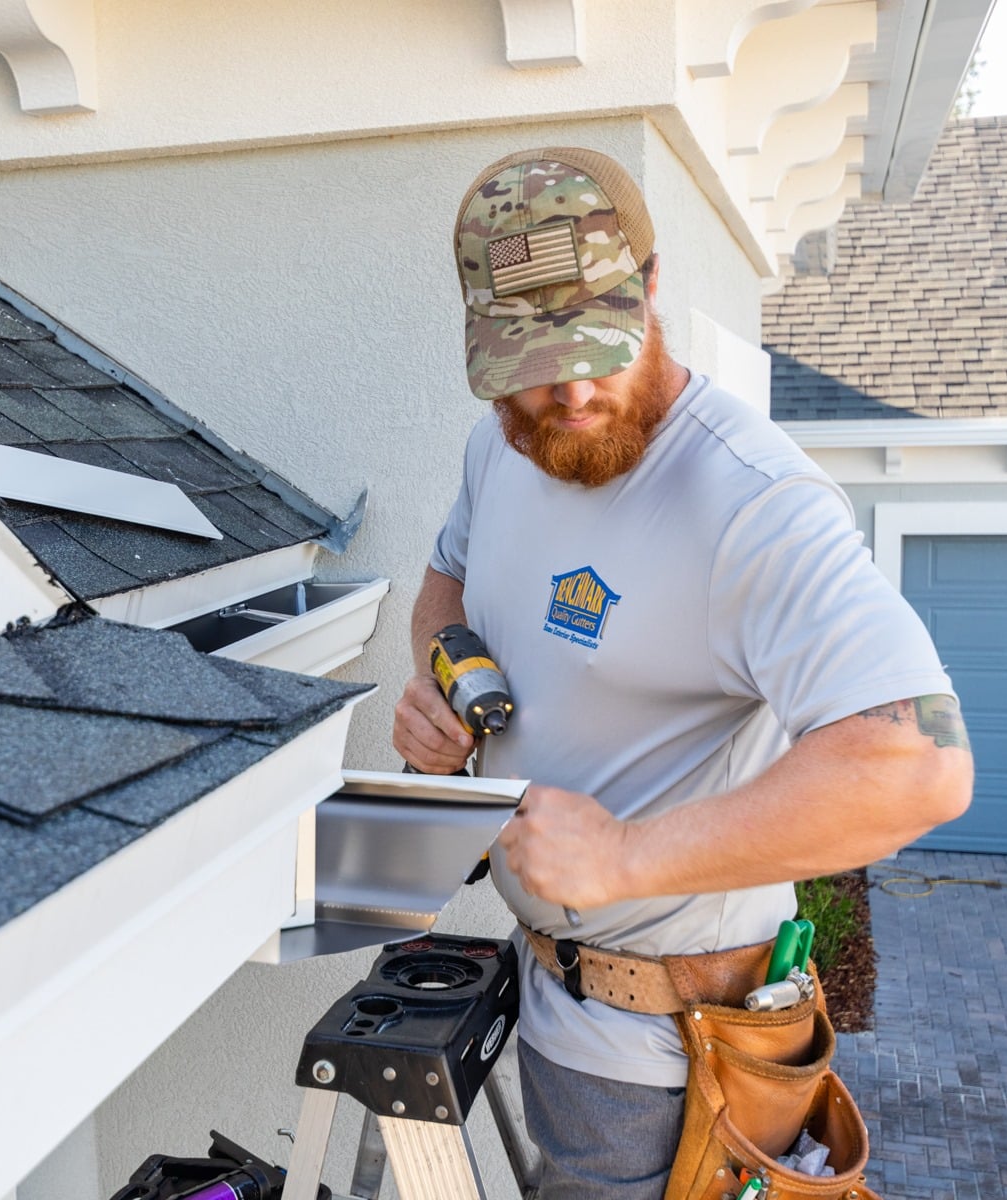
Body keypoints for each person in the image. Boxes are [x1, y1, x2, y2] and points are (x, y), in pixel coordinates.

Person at [393, 146, 973, 1200]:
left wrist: (624, 855)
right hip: (542, 988)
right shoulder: (499, 447)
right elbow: (445, 582)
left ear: (654, 287)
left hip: (664, 1054)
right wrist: (444, 678)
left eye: (594, 343)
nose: (567, 389)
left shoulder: (751, 502)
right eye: (531, 357)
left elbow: (917, 767)